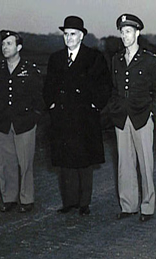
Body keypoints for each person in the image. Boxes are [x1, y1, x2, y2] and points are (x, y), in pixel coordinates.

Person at [43, 16, 111, 216]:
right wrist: (52, 104)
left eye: (73, 34)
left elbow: (104, 85)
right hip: (62, 118)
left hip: (84, 117)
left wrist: (95, 104)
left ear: (81, 36)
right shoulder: (55, 58)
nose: (69, 38)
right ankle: (69, 201)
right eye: (65, 34)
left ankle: (84, 203)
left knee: (84, 161)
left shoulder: (93, 57)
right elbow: (48, 86)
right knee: (65, 161)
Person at [106, 14, 156, 222]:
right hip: (121, 116)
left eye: (128, 31)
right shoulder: (116, 59)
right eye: (122, 32)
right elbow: (114, 87)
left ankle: (147, 206)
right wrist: (114, 107)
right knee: (125, 162)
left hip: (142, 115)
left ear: (137, 33)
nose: (124, 36)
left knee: (146, 162)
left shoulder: (149, 60)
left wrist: (152, 113)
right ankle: (128, 205)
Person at [0, 30, 44, 213]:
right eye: (3, 44)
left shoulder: (30, 70)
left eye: (9, 44)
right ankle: (9, 198)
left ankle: (27, 199)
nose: (5, 47)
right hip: (2, 122)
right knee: (6, 162)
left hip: (24, 123)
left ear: (19, 47)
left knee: (25, 162)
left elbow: (38, 96)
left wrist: (34, 116)